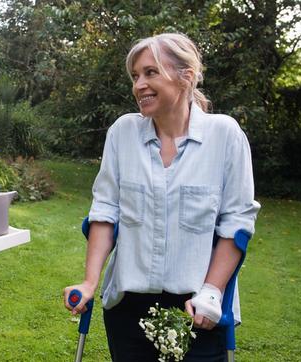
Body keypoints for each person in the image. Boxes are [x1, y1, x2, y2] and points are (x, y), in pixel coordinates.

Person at [63, 33, 260, 361]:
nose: (139, 84)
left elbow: (237, 222)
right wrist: (89, 282)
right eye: (136, 76)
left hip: (196, 309)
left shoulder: (224, 135)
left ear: (186, 76)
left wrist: (212, 292)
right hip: (128, 309)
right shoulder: (122, 133)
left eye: (150, 72)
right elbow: (105, 211)